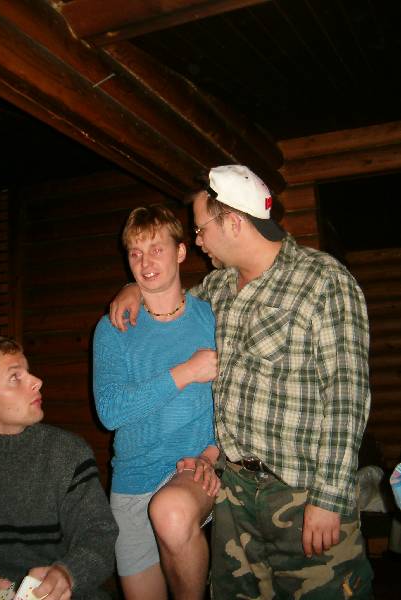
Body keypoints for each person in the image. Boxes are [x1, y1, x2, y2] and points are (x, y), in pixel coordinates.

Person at [109, 165, 374, 599]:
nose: (197, 241)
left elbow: (347, 396)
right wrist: (132, 287)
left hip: (301, 490)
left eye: (200, 229)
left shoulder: (321, 280)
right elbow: (167, 298)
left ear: (232, 222)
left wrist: (329, 498)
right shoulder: (217, 289)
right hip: (233, 494)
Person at [93, 204, 220, 600]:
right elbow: (110, 411)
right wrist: (187, 372)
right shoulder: (114, 327)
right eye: (135, 253)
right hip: (131, 482)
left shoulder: (212, 317)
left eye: (156, 249)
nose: (145, 262)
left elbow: (234, 398)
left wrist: (212, 454)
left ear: (181, 252)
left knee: (173, 512)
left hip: (191, 470)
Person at [0, 336, 118, 600]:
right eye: (15, 377)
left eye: (28, 371)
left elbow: (98, 533)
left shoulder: (67, 452)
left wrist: (68, 574)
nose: (37, 381)